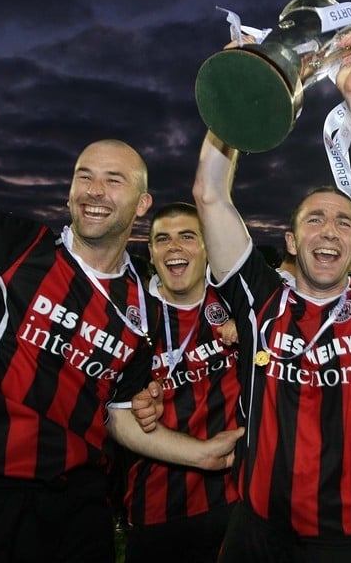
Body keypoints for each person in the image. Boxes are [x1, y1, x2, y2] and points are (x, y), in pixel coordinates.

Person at [0, 28, 242, 563]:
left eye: (114, 180)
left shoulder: (140, 305)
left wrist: (199, 454)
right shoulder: (14, 247)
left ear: (142, 203)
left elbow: (120, 417)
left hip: (84, 510)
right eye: (84, 176)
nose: (95, 191)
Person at [191, 30, 351, 562]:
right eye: (315, 220)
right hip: (254, 531)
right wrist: (239, 90)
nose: (329, 231)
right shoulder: (261, 301)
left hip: (343, 541)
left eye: (344, 222)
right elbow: (210, 196)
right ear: (292, 239)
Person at [123, 202, 242, 563]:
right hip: (157, 504)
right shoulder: (130, 315)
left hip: (236, 497)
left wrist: (253, 330)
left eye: (187, 236)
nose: (174, 247)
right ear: (152, 251)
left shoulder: (240, 302)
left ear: (207, 246)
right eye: (163, 239)